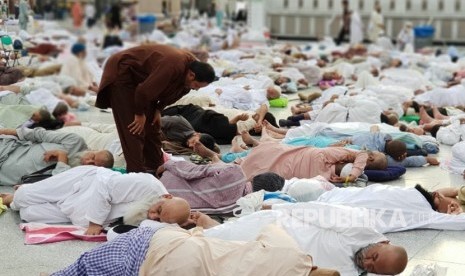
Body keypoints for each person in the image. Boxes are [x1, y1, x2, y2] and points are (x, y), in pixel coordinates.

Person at [95, 44, 215, 173]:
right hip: (123, 73)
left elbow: (167, 94)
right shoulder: (172, 65)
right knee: (134, 129)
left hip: (145, 82)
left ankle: (157, 168)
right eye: (196, 85)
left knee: (152, 127)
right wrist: (139, 113)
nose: (195, 89)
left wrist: (158, 109)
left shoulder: (188, 77)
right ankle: (137, 174)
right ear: (191, 75)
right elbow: (142, 92)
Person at [49, 223, 338, 276]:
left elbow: (272, 227)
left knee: (87, 266)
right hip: (169, 266)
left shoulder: (294, 254)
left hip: (174, 245)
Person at [201, 203, 408, 275]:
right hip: (272, 227)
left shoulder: (351, 272)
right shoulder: (360, 227)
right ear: (383, 243)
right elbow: (315, 211)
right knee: (204, 243)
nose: (367, 262)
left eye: (372, 268)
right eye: (374, 256)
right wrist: (277, 207)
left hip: (270, 261)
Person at [0, 166, 191, 235]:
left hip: (79, 212)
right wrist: (94, 223)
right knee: (22, 198)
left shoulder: (163, 222)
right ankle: (17, 194)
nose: (152, 215)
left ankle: (28, 191)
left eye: (158, 218)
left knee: (28, 214)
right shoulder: (148, 185)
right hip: (84, 183)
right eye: (158, 209)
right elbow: (104, 186)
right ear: (166, 197)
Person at [0, 127, 113, 185]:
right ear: (94, 150)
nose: (88, 162)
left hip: (5, 172)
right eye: (92, 157)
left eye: (93, 165)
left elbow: (57, 184)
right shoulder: (75, 141)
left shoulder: (80, 175)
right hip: (9, 148)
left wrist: (62, 158)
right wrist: (5, 131)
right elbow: (38, 134)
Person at [240, 141, 387, 182]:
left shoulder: (358, 156)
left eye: (373, 152)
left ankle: (240, 158)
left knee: (271, 151)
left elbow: (361, 155)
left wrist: (353, 175)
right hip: (300, 168)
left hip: (303, 157)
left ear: (371, 158)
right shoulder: (328, 176)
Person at [157, 159, 250, 214]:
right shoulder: (236, 207)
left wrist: (168, 164)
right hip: (164, 200)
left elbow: (190, 171)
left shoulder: (236, 173)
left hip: (164, 184)